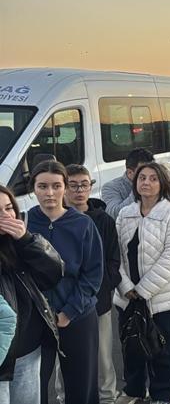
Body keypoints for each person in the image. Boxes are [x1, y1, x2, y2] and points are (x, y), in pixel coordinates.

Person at [113, 162, 170, 404]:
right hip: (128, 294)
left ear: (163, 184)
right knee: (131, 344)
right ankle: (134, 390)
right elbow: (115, 254)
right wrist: (126, 287)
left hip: (162, 294)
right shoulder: (125, 214)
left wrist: (143, 290)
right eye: (142, 178)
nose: (146, 183)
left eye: (152, 178)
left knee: (162, 347)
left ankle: (163, 394)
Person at [27, 161, 103, 404]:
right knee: (32, 386)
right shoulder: (25, 222)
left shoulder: (83, 224)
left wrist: (69, 312)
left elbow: (93, 275)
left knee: (81, 386)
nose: (49, 192)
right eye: (42, 186)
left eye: (56, 186)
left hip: (77, 316)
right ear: (33, 188)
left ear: (65, 188)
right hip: (36, 318)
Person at [63, 165, 122, 404]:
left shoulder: (104, 220)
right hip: (63, 302)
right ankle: (64, 396)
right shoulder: (55, 219)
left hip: (98, 299)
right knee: (62, 356)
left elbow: (114, 259)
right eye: (73, 185)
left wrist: (104, 284)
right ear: (65, 188)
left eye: (84, 185)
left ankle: (108, 397)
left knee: (102, 355)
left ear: (91, 186)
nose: (79, 190)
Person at [0, 185, 63, 404]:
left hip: (27, 349)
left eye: (9, 208)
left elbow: (54, 273)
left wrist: (26, 240)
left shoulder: (21, 242)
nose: (6, 216)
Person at [102, 148, 155, 219]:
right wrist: (137, 190)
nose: (149, 175)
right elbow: (113, 214)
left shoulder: (157, 183)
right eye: (142, 172)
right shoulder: (111, 187)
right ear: (130, 172)